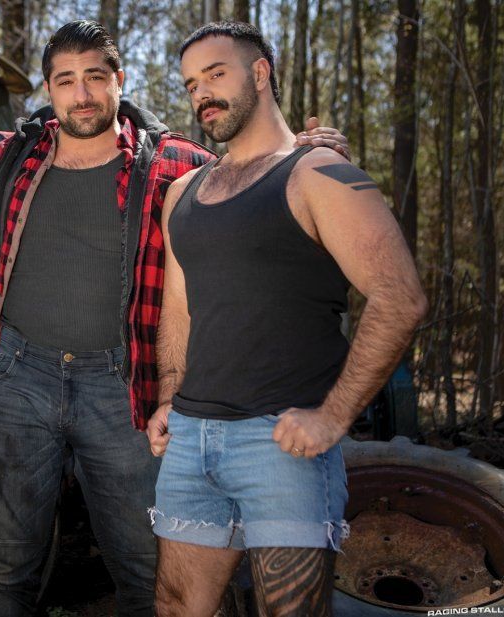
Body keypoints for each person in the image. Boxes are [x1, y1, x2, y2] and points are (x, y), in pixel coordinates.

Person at [0, 21, 348, 616]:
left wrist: (303, 153)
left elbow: (252, 173)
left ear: (119, 80)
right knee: (8, 564)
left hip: (122, 384)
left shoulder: (175, 164)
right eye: (65, 81)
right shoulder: (12, 160)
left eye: (94, 77)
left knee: (142, 563)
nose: (81, 94)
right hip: (20, 377)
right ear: (49, 90)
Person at [145, 22, 428, 617]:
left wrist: (333, 416)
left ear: (260, 73)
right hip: (191, 439)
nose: (202, 93)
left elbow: (400, 296)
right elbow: (178, 309)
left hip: (281, 444)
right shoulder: (183, 192)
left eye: (216, 74)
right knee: (175, 606)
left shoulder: (319, 172)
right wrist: (169, 396)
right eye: (192, 84)